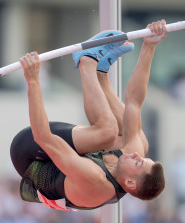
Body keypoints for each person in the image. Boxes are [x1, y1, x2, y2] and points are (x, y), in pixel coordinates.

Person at [10, 20, 167, 211]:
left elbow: (42, 137)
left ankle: (87, 62)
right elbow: (133, 103)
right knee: (140, 141)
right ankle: (100, 72)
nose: (136, 155)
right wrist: (149, 46)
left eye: (139, 162)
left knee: (107, 132)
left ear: (130, 183)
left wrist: (34, 81)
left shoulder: (95, 180)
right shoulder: (129, 165)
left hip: (31, 154)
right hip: (64, 159)